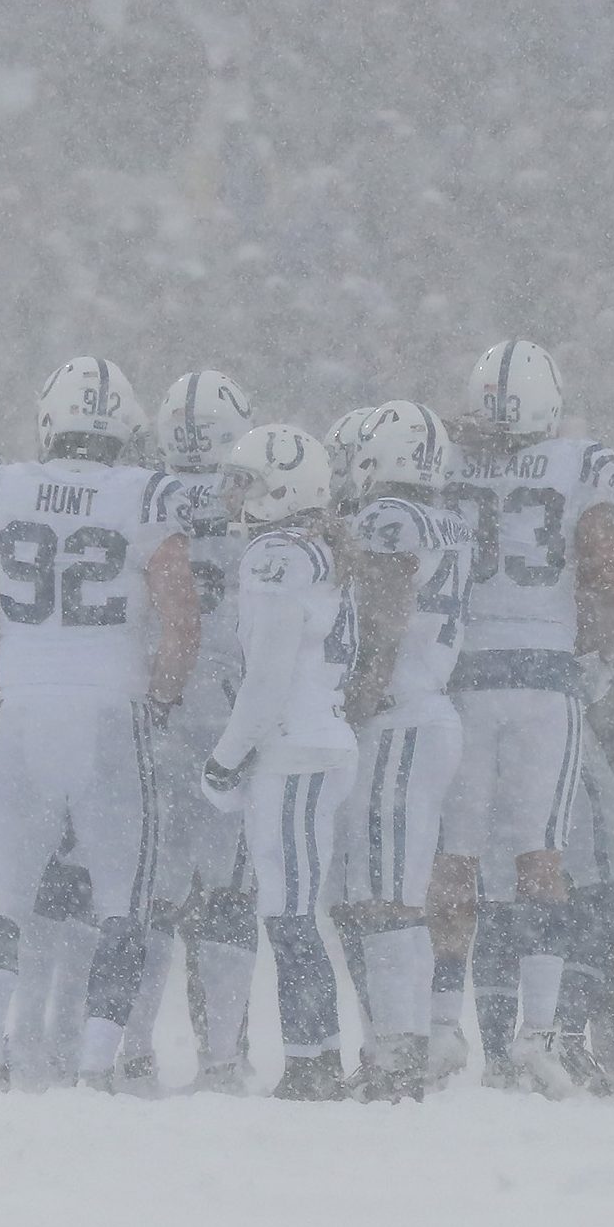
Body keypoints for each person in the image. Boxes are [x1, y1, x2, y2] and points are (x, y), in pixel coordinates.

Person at [0, 357, 200, 1092]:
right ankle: (94, 1064)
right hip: (110, 708)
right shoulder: (145, 494)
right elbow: (182, 624)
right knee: (122, 901)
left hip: (25, 705)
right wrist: (160, 699)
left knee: (5, 897)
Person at [437, 340, 614, 1096]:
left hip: (462, 674)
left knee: (455, 857)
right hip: (541, 677)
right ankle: (539, 1032)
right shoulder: (578, 462)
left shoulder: (446, 458)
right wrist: (592, 637)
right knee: (540, 857)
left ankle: (437, 1024)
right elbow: (607, 568)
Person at [199, 425, 360, 1100]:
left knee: (290, 914)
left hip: (294, 745)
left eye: (250, 482)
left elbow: (266, 676)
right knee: (291, 911)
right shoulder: (307, 549)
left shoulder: (277, 555)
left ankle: (312, 1060)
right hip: (312, 738)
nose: (237, 495)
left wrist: (224, 756)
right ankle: (314, 1054)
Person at [123, 369, 257, 1094]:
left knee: (152, 894)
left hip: (157, 709)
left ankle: (133, 1048)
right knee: (229, 896)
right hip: (232, 711)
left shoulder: (140, 492)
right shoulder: (262, 491)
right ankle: (221, 1055)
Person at [336, 401, 470, 1100]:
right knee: (394, 894)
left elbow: (383, 622)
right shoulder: (448, 519)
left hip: (398, 716)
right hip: (430, 711)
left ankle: (398, 1054)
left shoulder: (390, 518)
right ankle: (405, 1042)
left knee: (385, 900)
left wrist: (354, 702)